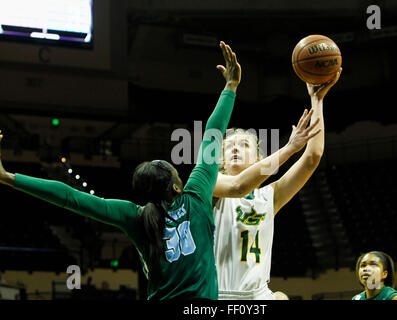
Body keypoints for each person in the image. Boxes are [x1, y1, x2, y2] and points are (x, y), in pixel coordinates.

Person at [0, 40, 241, 300]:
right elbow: (212, 134)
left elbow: (71, 197)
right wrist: (230, 87)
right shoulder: (196, 196)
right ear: (175, 185)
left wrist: (9, 178)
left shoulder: (135, 216)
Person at [211, 69, 341, 300]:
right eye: (229, 146)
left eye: (244, 145)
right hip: (220, 295)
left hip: (259, 295)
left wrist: (317, 101)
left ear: (259, 160)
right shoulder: (213, 184)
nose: (235, 149)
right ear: (220, 161)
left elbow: (312, 158)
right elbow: (239, 186)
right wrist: (290, 148)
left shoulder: (269, 196)